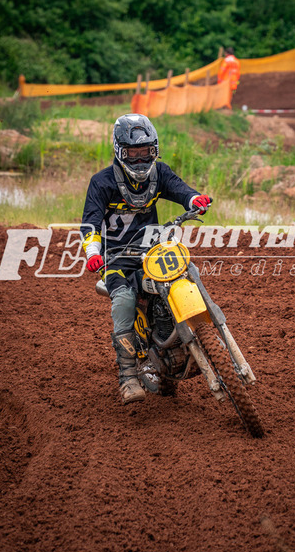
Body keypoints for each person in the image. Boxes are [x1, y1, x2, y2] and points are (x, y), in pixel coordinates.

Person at [81, 113, 212, 405]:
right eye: (133, 154)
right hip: (115, 257)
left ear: (155, 150)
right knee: (125, 300)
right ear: (120, 151)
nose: (140, 160)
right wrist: (93, 253)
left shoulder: (159, 172)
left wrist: (195, 200)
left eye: (146, 152)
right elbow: (90, 223)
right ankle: (128, 376)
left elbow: (181, 190)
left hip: (151, 248)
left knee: (184, 272)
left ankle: (184, 336)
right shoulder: (101, 182)